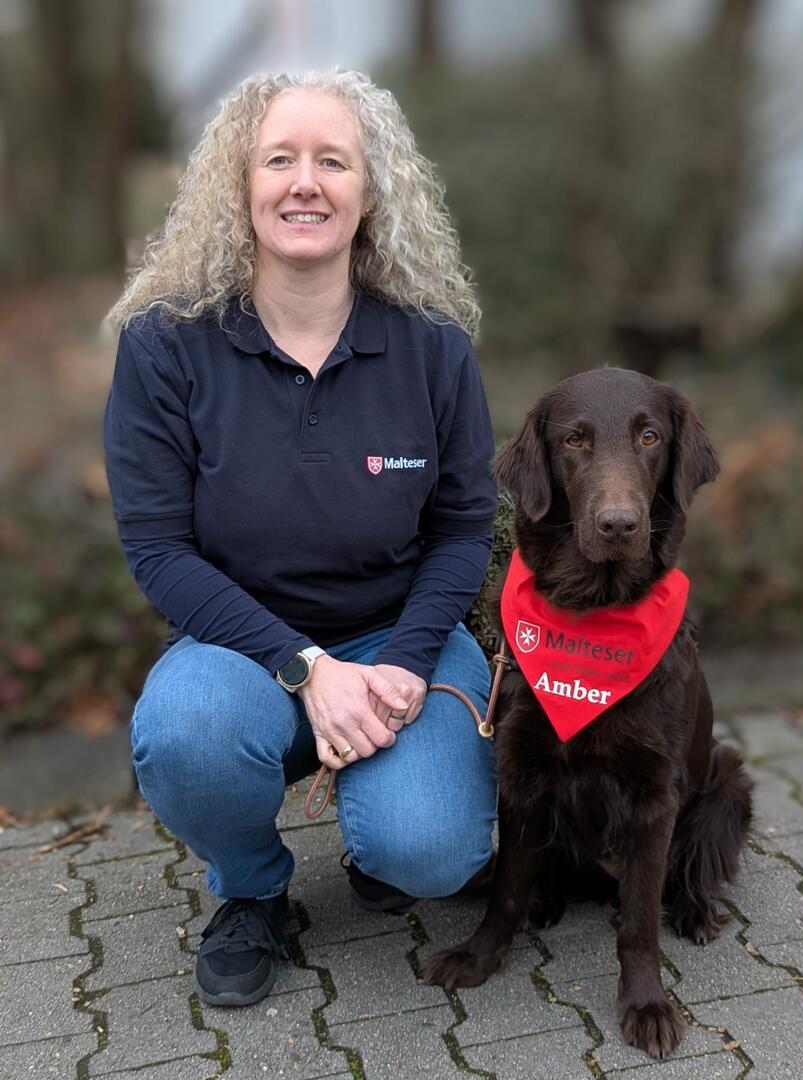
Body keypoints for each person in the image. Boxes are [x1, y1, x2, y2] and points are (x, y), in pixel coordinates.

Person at [103, 70, 497, 1009]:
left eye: (333, 161)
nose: (305, 183)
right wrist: (306, 667)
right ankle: (252, 891)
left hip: (399, 638)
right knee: (186, 734)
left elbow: (461, 527)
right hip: (240, 647)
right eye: (279, 159)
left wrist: (404, 663)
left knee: (431, 850)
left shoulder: (432, 347)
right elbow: (158, 550)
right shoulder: (165, 345)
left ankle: (382, 843)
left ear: (372, 192)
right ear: (240, 185)